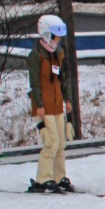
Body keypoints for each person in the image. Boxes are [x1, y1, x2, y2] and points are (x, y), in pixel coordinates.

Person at [26, 15, 72, 193]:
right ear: (46, 35)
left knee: (61, 143)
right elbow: (35, 83)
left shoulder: (57, 55)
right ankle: (43, 178)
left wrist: (66, 99)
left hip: (57, 105)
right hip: (43, 107)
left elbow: (62, 80)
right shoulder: (36, 56)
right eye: (56, 36)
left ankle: (59, 176)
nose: (58, 40)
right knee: (51, 143)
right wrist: (39, 106)